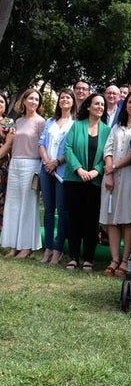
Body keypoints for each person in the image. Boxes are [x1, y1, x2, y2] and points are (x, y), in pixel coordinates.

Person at [62, 94, 110, 270]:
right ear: (88, 106)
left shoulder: (107, 130)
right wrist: (79, 170)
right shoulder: (76, 125)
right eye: (96, 103)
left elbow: (108, 154)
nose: (100, 107)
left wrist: (95, 171)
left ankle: (89, 258)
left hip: (95, 182)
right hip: (74, 179)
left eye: (102, 105)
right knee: (74, 219)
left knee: (91, 221)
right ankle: (73, 257)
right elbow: (67, 148)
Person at [100, 90, 131, 275]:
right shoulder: (117, 126)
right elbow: (108, 149)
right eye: (129, 102)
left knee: (127, 220)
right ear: (125, 105)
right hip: (111, 178)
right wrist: (109, 172)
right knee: (112, 219)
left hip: (130, 177)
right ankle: (114, 259)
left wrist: (115, 166)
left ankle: (125, 261)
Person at [0, 88, 46, 258]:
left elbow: (43, 146)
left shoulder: (42, 122)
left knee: (28, 205)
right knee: (13, 205)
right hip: (15, 164)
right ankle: (14, 245)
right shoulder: (17, 122)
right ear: (24, 100)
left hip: (32, 165)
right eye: (30, 98)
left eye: (36, 99)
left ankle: (26, 247)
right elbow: (9, 144)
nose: (33, 101)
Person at [38, 89, 74, 265]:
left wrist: (56, 163)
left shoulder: (75, 123)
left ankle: (58, 250)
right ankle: (48, 248)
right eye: (62, 97)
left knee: (62, 210)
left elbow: (72, 148)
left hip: (62, 171)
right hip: (46, 170)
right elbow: (41, 143)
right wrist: (47, 163)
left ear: (73, 101)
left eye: (68, 97)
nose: (64, 100)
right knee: (48, 210)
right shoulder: (50, 121)